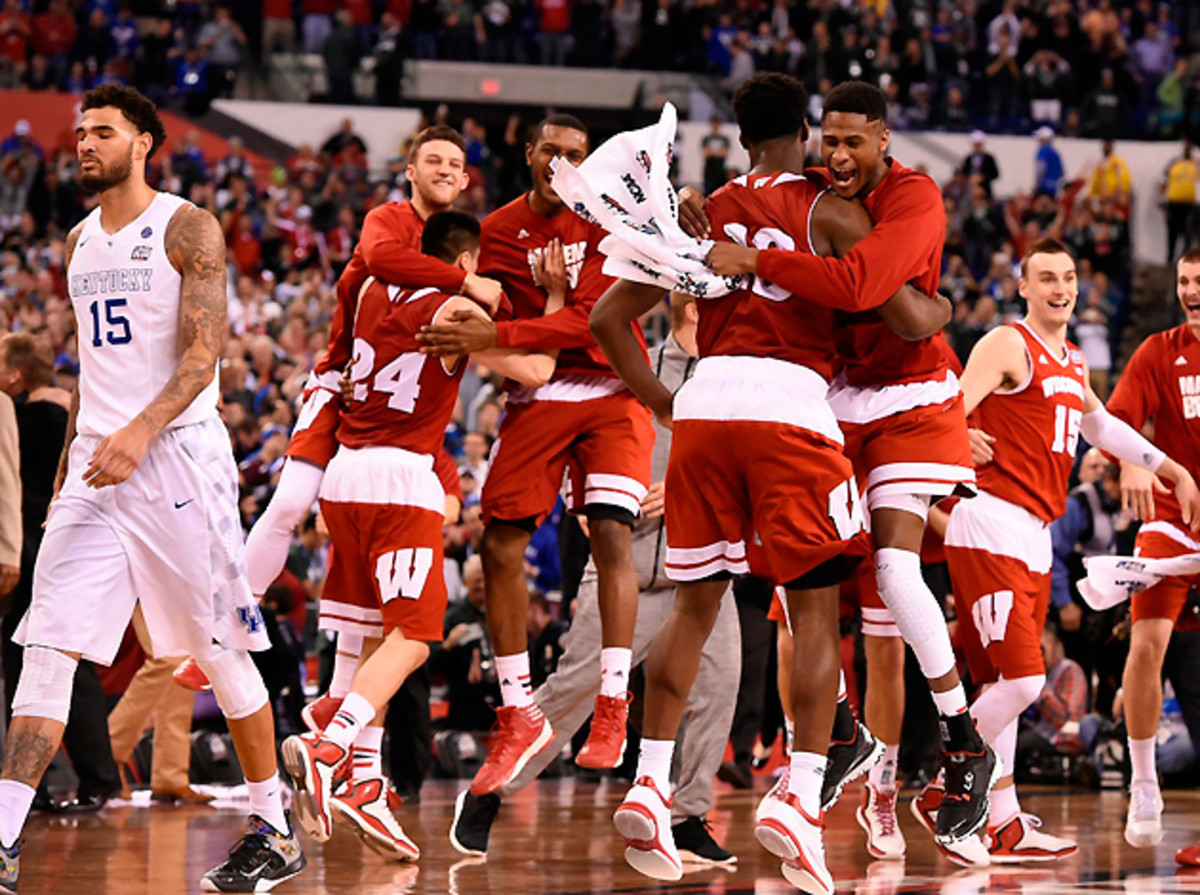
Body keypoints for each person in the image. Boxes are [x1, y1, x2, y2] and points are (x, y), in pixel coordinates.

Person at [589, 73, 948, 892]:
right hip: (789, 406)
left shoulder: (702, 211)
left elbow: (608, 319)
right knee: (815, 611)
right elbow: (896, 309)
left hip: (707, 404)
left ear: (741, 136)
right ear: (809, 135)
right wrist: (943, 308)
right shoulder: (832, 210)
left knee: (694, 604)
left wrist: (666, 403)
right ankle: (801, 794)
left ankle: (649, 779)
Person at [0, 85, 305, 893]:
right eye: (81, 133)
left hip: (175, 456)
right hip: (99, 465)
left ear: (145, 143)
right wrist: (72, 459)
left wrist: (139, 430)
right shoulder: (75, 241)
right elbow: (94, 372)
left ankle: (274, 825)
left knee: (217, 647)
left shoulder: (185, 225)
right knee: (47, 640)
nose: (85, 144)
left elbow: (203, 357)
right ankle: (1, 840)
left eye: (103, 132)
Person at [704, 80, 996, 863]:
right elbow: (895, 304)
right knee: (798, 581)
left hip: (908, 397)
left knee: (897, 577)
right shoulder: (800, 197)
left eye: (853, 142)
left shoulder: (915, 196)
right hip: (831, 394)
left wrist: (759, 254)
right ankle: (838, 732)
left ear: (885, 138)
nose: (838, 156)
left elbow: (870, 289)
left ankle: (963, 744)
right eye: (827, 140)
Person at [178, 126, 502, 718]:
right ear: (410, 169)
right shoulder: (390, 220)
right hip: (341, 382)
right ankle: (227, 631)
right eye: (433, 160)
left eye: (456, 164)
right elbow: (381, 259)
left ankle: (339, 714)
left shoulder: (456, 246)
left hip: (394, 419)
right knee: (287, 505)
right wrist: (468, 281)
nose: (446, 171)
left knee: (365, 577)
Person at [280, 210, 557, 859]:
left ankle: (365, 782)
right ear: (464, 262)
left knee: (374, 634)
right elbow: (537, 370)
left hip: (343, 475)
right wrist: (556, 299)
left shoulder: (373, 290)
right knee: (417, 635)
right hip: (400, 479)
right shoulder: (455, 310)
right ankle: (330, 744)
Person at [450, 291, 741, 868]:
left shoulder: (733, 379)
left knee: (719, 684)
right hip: (626, 565)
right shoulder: (633, 365)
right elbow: (576, 449)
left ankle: (686, 816)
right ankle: (487, 794)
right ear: (689, 304)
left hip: (703, 570)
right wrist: (597, 509)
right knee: (572, 693)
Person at [938, 238, 1199, 863]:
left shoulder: (1075, 360)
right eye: (1047, 277)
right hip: (993, 518)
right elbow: (947, 407)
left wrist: (1165, 467)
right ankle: (950, 791)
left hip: (1033, 529)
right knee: (1024, 680)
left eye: (1070, 277)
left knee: (1008, 682)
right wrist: (957, 435)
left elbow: (1103, 425)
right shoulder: (1007, 342)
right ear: (1023, 286)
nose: (1061, 287)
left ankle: (1002, 819)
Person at [416, 114, 656, 791]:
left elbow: (589, 318)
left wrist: (505, 327)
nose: (561, 161)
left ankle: (613, 702)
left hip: (612, 384)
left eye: (575, 154)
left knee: (612, 530)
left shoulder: (609, 221)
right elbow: (465, 301)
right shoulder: (492, 231)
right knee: (498, 543)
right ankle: (518, 706)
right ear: (528, 153)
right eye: (550, 149)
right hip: (540, 389)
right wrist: (483, 331)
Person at [1106, 247, 1200, 858]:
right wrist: (1127, 464)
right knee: (1146, 644)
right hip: (1172, 520)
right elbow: (1114, 425)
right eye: (1186, 281)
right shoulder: (1157, 351)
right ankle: (1144, 783)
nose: (1192, 291)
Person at [1163, 142, 1198, 264]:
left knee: (1188, 233)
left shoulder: (1196, 163)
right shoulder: (1174, 162)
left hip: (1189, 204)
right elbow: (1164, 176)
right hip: (1174, 203)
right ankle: (1170, 259)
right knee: (1172, 233)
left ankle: (1186, 259)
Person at [1034, 127, 1064, 197]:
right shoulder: (1056, 154)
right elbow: (1061, 173)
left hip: (1043, 189)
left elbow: (1040, 170)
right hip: (1053, 189)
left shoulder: (1042, 152)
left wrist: (1036, 186)